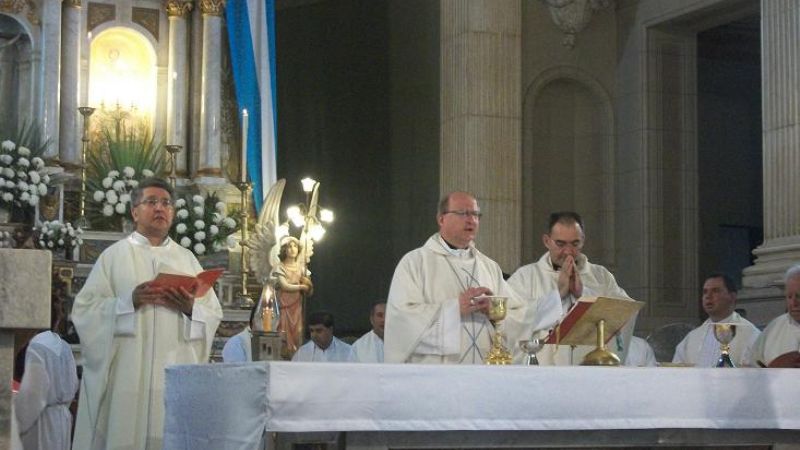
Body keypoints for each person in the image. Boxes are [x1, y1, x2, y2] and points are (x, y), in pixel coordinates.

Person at [71, 178, 223, 449]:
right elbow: (85, 311)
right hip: (128, 376)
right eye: (151, 202)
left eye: (166, 203)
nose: (160, 208)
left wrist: (190, 309)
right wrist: (128, 303)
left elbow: (212, 313)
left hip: (173, 370)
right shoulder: (113, 257)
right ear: (134, 211)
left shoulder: (186, 258)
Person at [385, 191, 558, 364]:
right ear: (441, 219)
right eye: (462, 213)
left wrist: (495, 312)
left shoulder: (489, 266)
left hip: (485, 371)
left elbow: (519, 315)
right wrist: (454, 309)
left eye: (475, 214)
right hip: (440, 376)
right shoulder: (416, 262)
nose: (471, 220)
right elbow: (401, 321)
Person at [507, 211, 635, 365]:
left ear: (583, 241)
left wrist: (583, 294)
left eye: (575, 244)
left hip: (588, 373)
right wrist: (557, 296)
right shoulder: (525, 277)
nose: (568, 251)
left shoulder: (601, 277)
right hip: (541, 374)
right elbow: (510, 321)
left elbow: (626, 314)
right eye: (560, 244)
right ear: (547, 241)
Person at [14, 297, 78, 450]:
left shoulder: (35, 346)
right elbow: (73, 384)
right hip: (60, 418)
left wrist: (15, 425)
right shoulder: (63, 345)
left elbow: (33, 394)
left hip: (39, 423)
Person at [673, 274, 760, 367]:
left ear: (732, 296)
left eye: (715, 291)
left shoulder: (750, 334)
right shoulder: (692, 338)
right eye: (705, 292)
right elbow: (677, 372)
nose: (708, 296)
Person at [745, 265, 800, 367]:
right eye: (789, 296)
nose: (794, 303)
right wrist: (774, 368)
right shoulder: (774, 328)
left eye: (799, 296)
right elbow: (752, 366)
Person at [273, 236, 313, 356]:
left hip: (296, 306)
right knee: (284, 331)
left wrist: (308, 284)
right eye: (289, 246)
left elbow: (309, 289)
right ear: (284, 249)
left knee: (297, 330)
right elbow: (284, 286)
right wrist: (301, 287)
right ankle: (284, 352)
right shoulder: (280, 267)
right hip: (284, 305)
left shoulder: (302, 268)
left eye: (295, 246)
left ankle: (296, 353)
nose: (292, 249)